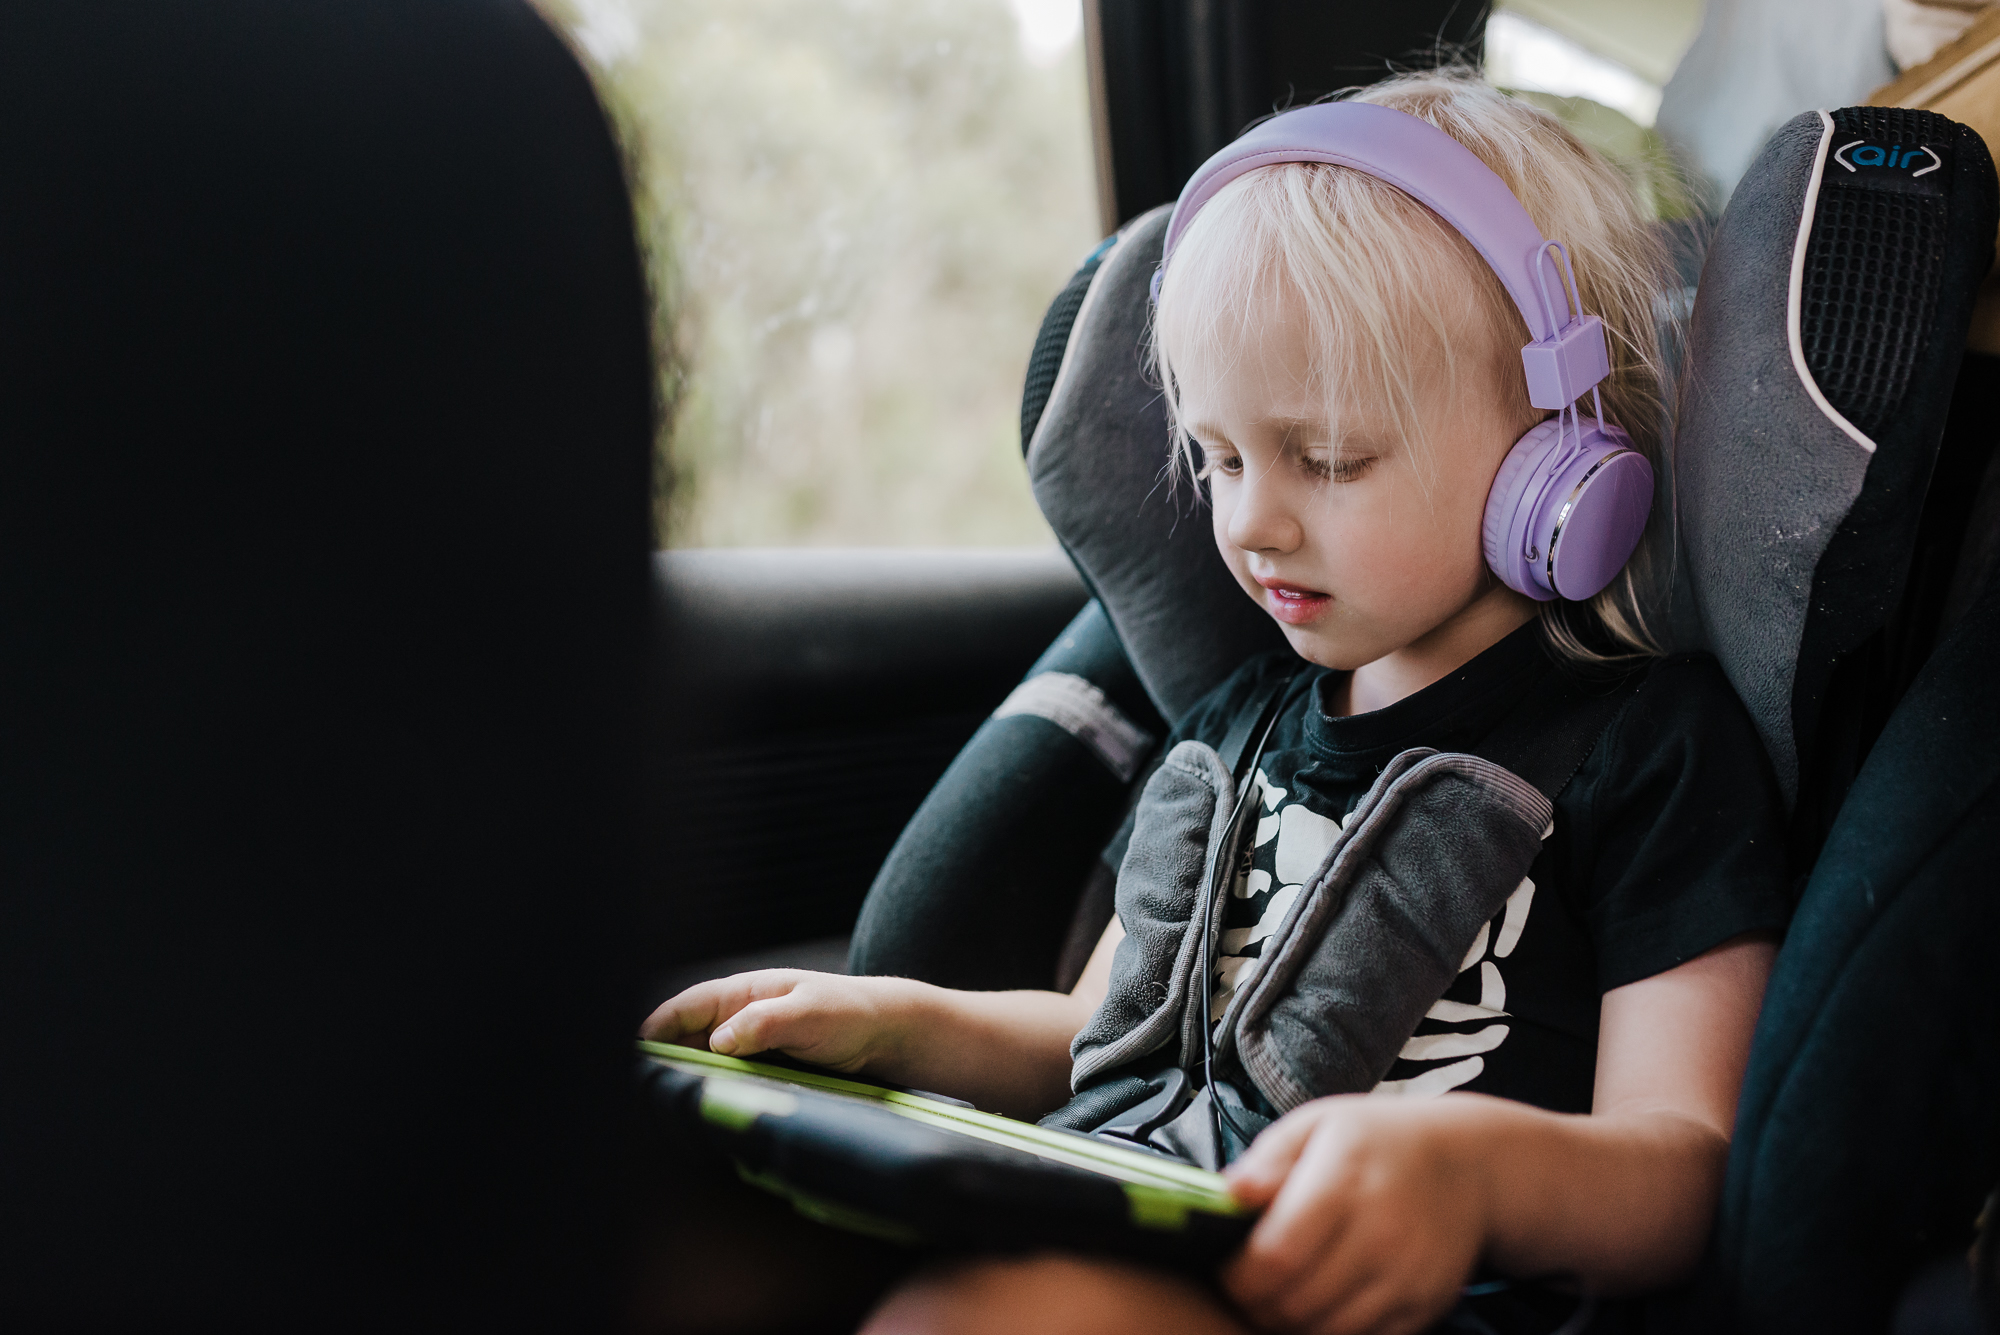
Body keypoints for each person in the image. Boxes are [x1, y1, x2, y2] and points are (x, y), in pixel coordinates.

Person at [644, 69, 1791, 1335]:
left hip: (1397, 1294)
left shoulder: (1649, 749)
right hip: (1141, 1202)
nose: (1248, 521)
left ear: (1558, 454)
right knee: (677, 1234)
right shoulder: (1232, 725)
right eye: (1220, 456)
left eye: (1327, 458)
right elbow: (1098, 1032)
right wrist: (897, 1028)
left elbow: (1684, 1159)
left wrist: (1470, 1177)